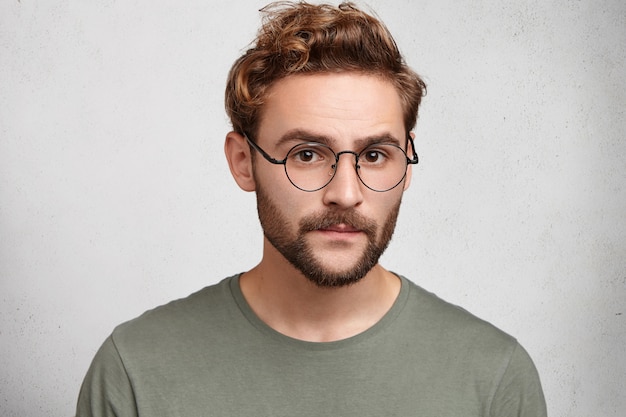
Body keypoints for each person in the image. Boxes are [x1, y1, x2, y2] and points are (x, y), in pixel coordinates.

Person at [76, 2, 546, 416]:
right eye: (306, 154)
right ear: (244, 163)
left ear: (407, 162)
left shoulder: (494, 377)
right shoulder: (135, 370)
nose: (345, 192)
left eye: (375, 155)